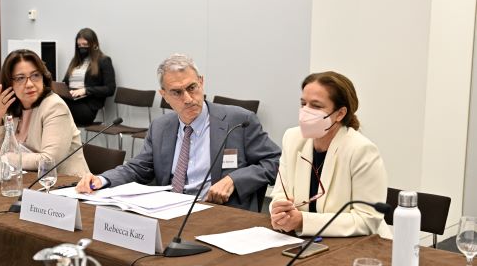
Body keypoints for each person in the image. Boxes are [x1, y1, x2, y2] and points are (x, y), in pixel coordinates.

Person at [76, 53, 281, 211]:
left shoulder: (239, 121)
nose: (188, 98)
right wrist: (101, 180)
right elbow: (138, 168)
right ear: (164, 95)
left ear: (201, 82)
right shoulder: (161, 127)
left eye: (192, 87)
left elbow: (275, 162)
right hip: (169, 212)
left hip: (218, 212)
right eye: (177, 92)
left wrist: (234, 179)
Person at [270, 71, 390, 237]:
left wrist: (303, 221)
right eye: (303, 103)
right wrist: (279, 210)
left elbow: (368, 219)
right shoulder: (292, 138)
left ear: (340, 113)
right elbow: (279, 193)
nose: (305, 111)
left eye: (316, 106)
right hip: (300, 241)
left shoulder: (361, 150)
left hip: (356, 245)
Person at [0, 49, 89, 175]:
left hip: (65, 185)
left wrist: (8, 157)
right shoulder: (9, 108)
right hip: (24, 183)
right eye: (21, 78)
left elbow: (49, 161)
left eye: (35, 75)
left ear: (43, 77)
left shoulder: (55, 107)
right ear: (9, 83)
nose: (29, 84)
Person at [62, 28, 116, 125]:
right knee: (50, 100)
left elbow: (110, 89)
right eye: (79, 46)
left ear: (94, 44)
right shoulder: (75, 61)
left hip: (87, 108)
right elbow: (64, 83)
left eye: (85, 45)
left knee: (57, 106)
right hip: (72, 100)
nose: (82, 48)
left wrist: (85, 90)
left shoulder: (104, 61)